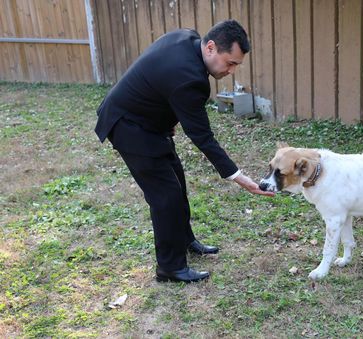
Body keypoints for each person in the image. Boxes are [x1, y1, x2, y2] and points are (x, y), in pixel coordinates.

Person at [94, 20, 273, 284]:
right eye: (230, 63)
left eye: (236, 64)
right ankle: (170, 268)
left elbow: (159, 82)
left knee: (177, 183)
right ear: (210, 47)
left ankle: (185, 240)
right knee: (165, 196)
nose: (232, 70)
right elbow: (202, 137)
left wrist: (165, 120)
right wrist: (237, 176)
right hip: (128, 127)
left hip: (151, 124)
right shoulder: (189, 78)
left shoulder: (187, 38)